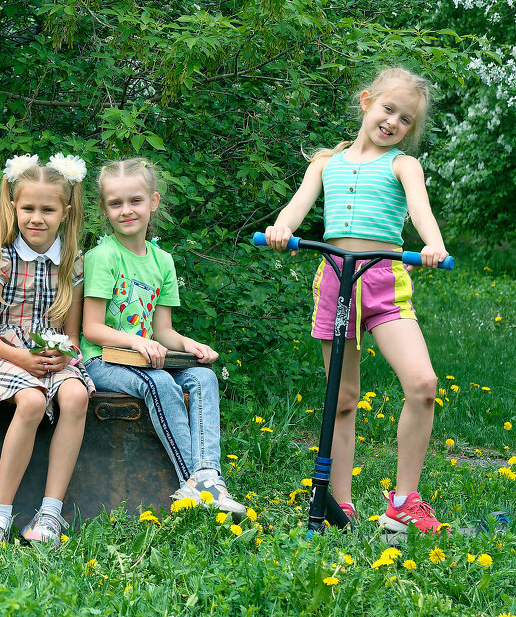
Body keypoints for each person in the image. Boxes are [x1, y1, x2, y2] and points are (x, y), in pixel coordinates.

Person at [263, 67, 450, 535]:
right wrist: (282, 229)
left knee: (423, 384)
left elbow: (421, 210)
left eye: (405, 119)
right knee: (341, 399)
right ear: (367, 102)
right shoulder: (326, 163)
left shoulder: (402, 164)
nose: (393, 122)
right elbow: (298, 205)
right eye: (388, 109)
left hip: (384, 281)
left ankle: (404, 501)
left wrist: (433, 244)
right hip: (334, 279)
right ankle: (341, 505)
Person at [80, 158, 245, 517]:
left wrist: (188, 345)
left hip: (147, 358)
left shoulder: (162, 261)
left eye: (135, 201)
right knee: (159, 383)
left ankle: (207, 476)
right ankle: (194, 484)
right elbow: (91, 328)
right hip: (104, 360)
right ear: (104, 209)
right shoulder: (102, 257)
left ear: (153, 202)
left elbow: (162, 330)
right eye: (115, 203)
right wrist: (135, 341)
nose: (126, 210)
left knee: (203, 377)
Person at [0, 154, 93, 549]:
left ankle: (50, 514)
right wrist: (20, 357)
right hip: (4, 352)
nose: (36, 218)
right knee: (32, 402)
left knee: (75, 395)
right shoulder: (0, 260)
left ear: (65, 212)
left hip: (50, 352)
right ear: (13, 208)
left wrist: (64, 356)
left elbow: (71, 336)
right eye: (28, 208)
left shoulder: (73, 264)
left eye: (47, 209)